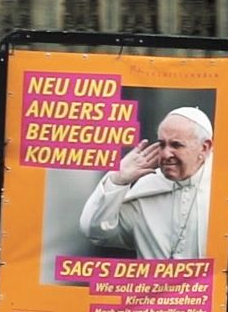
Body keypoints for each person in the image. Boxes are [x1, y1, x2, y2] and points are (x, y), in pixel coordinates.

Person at [80, 107, 213, 259]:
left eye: (176, 145)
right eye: (162, 144)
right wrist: (117, 179)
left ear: (204, 147)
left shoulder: (224, 189)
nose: (166, 154)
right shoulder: (149, 186)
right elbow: (95, 231)